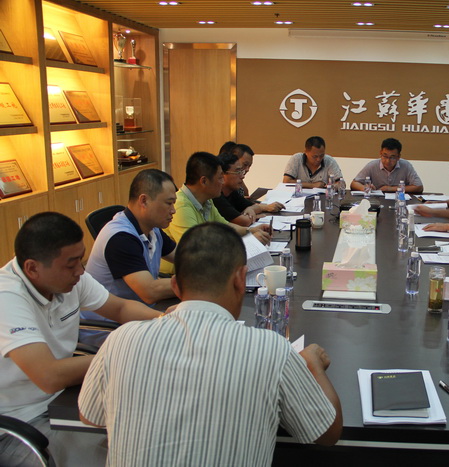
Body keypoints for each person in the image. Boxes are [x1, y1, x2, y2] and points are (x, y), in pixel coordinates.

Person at [79, 223, 343, 466]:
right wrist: (313, 365)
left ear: (175, 286)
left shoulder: (120, 340)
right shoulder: (272, 350)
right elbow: (327, 433)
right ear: (240, 279)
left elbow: (90, 416)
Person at [0, 212, 161, 466]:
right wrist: (122, 353)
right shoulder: (7, 298)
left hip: (64, 401)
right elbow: (49, 376)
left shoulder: (69, 279)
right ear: (32, 268)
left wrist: (166, 321)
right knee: (116, 456)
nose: (81, 271)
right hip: (18, 425)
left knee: (143, 433)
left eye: (80, 259)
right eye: (71, 265)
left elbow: (120, 308)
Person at [81, 169, 178, 345]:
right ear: (144, 200)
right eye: (168, 203)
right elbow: (149, 292)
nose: (173, 210)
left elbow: (183, 257)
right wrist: (199, 281)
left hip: (138, 317)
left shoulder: (152, 229)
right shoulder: (120, 238)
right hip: (109, 328)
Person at [160, 151, 270, 275]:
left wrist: (251, 231)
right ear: (204, 181)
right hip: (177, 275)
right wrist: (249, 243)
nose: (223, 182)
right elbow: (196, 250)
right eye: (220, 178)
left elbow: (225, 227)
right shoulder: (181, 206)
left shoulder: (207, 200)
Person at [214, 147, 284, 227]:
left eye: (241, 171)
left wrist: (250, 209)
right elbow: (243, 222)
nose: (242, 176)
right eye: (237, 172)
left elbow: (252, 206)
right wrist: (254, 215)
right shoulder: (216, 197)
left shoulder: (232, 192)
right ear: (223, 175)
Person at [349, 138, 423, 193]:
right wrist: (365, 188)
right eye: (385, 156)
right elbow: (354, 183)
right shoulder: (372, 165)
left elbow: (419, 187)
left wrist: (390, 189)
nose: (388, 161)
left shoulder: (406, 165)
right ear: (380, 153)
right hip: (378, 201)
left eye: (392, 157)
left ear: (398, 157)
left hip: (399, 201)